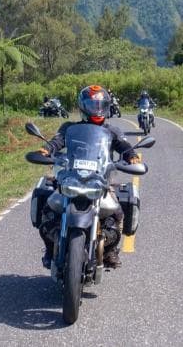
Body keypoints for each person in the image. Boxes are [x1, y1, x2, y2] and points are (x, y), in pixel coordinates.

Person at [37, 85, 140, 269]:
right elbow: (57, 141)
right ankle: (49, 247)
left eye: (101, 105)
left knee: (117, 212)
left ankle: (109, 251)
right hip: (71, 177)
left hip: (99, 180)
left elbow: (124, 146)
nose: (97, 110)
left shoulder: (112, 131)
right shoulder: (69, 128)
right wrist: (47, 150)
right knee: (48, 208)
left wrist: (131, 155)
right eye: (93, 105)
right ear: (83, 107)